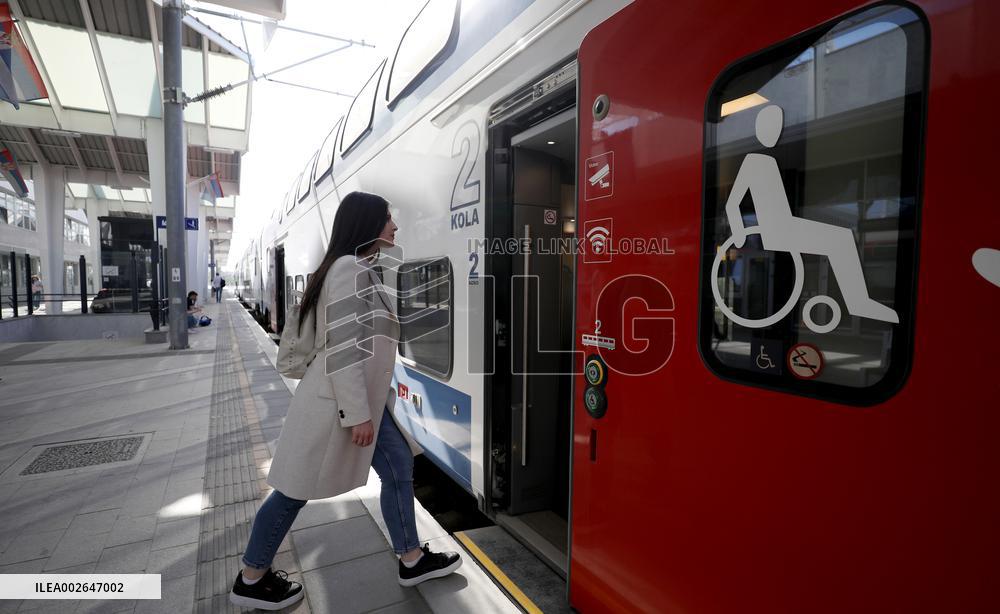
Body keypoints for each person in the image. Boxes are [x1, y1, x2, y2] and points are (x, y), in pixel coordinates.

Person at [229, 192, 461, 611]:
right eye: (388, 218)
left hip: (360, 400)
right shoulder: (349, 269)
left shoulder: (356, 267)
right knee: (293, 490)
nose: (395, 225)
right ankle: (252, 576)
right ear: (368, 223)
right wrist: (357, 416)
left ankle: (411, 558)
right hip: (336, 403)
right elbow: (344, 349)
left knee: (398, 464)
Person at [724, 104, 898, 324]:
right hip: (775, 229)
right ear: (759, 129)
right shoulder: (753, 161)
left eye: (777, 125)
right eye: (770, 125)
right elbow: (733, 203)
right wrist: (738, 232)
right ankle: (858, 302)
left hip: (782, 224)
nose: (775, 131)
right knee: (841, 239)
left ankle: (859, 302)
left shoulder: (770, 161)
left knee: (841, 238)